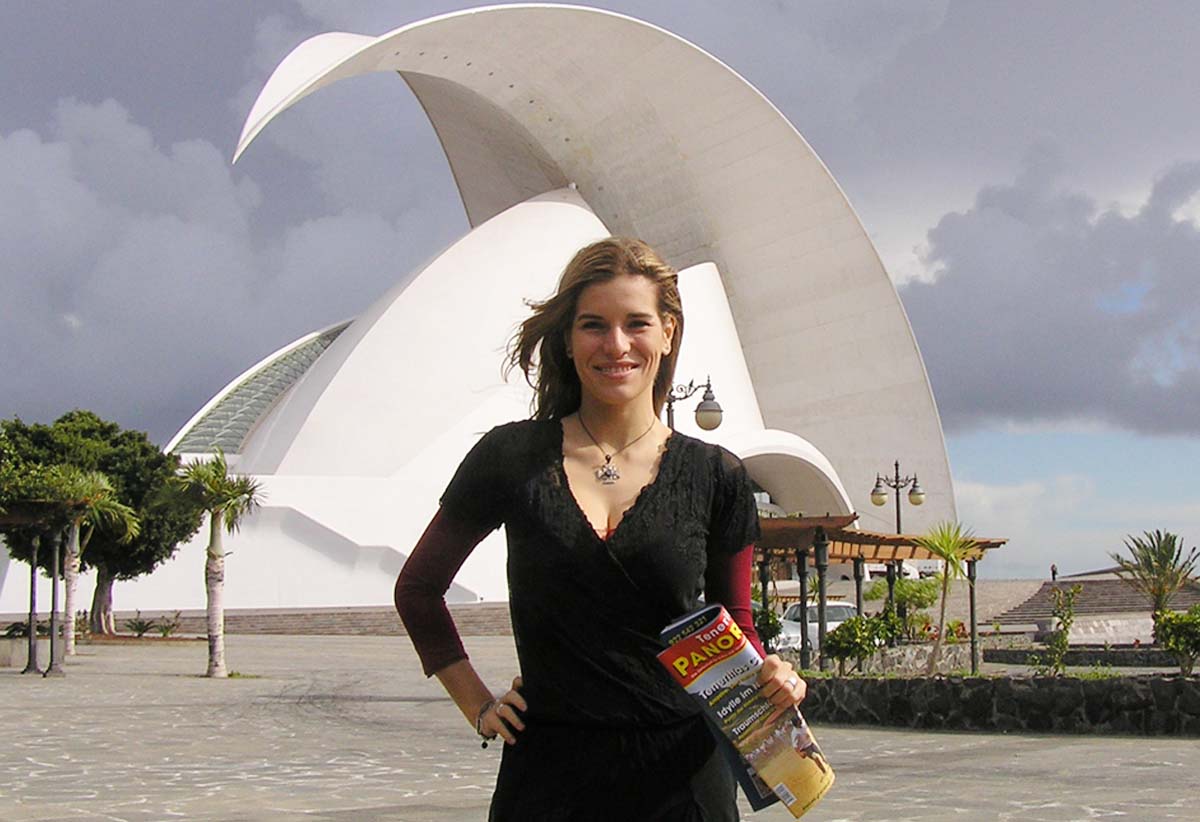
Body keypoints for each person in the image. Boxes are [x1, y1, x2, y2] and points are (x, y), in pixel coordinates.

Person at [394, 237, 808, 821]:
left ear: (668, 332)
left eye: (636, 324)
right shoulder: (511, 457)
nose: (616, 345)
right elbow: (417, 589)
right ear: (567, 339)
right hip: (548, 778)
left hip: (683, 781)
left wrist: (775, 674)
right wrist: (480, 707)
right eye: (594, 325)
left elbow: (733, 622)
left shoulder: (717, 476)